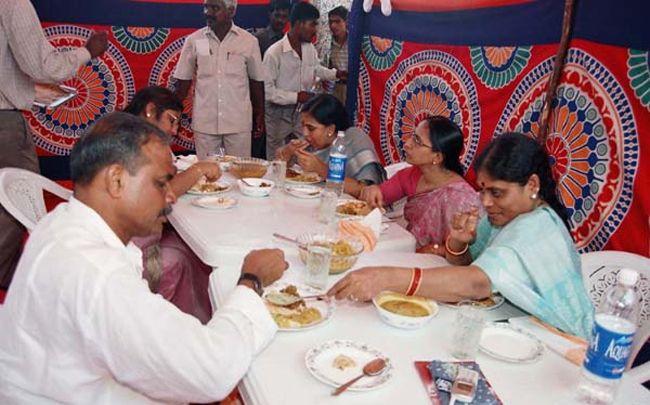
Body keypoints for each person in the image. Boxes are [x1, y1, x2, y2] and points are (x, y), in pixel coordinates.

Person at [0, 112, 288, 402]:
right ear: (116, 181)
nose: (171, 196)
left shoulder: (62, 222)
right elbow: (212, 371)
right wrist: (252, 279)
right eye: (161, 183)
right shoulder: (99, 274)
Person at [329, 133, 594, 338]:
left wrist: (387, 278)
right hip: (516, 325)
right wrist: (457, 243)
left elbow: (475, 284)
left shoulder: (536, 227)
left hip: (561, 344)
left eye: (497, 192)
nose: (486, 202)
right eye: (483, 190)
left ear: (532, 185)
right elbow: (470, 267)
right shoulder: (510, 214)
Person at [0, 0, 107, 290]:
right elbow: (43, 65)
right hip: (5, 125)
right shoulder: (13, 3)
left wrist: (27, 91)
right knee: (17, 201)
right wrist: (88, 51)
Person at [124, 86, 221, 323]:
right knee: (190, 255)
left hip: (132, 239)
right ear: (150, 110)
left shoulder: (129, 133)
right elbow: (159, 196)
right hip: (130, 252)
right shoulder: (132, 141)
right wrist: (197, 170)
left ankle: (200, 320)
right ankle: (176, 324)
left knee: (192, 247)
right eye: (172, 120)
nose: (175, 131)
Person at [360, 116, 482, 251]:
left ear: (437, 157)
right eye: (413, 136)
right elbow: (381, 195)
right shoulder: (412, 174)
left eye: (417, 141)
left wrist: (437, 250)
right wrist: (373, 191)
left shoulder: (460, 198)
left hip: (441, 264)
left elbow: (466, 251)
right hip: (409, 250)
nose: (407, 143)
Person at [174, 0, 265, 159]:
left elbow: (256, 81)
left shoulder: (249, 42)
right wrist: (174, 113)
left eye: (215, 8)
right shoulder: (194, 40)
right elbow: (183, 81)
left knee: (239, 172)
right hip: (205, 122)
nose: (208, 12)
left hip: (238, 122)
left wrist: (260, 113)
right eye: (206, 7)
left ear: (231, 11)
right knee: (208, 175)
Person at [263, 2, 347, 160]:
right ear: (298, 24)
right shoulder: (274, 53)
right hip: (278, 114)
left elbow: (316, 69)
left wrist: (336, 74)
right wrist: (297, 96)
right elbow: (268, 92)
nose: (315, 29)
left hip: (303, 112)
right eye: (312, 24)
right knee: (278, 158)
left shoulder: (309, 48)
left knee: (302, 156)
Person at [276, 94, 384, 197]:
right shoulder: (310, 142)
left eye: (311, 128)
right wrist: (287, 152)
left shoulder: (353, 139)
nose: (305, 133)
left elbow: (367, 190)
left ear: (330, 129)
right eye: (303, 126)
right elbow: (277, 167)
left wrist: (322, 170)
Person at [251, 0, 291, 159]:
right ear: (270, 14)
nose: (281, 20)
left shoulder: (288, 41)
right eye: (277, 15)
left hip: (280, 102)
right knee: (258, 146)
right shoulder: (258, 39)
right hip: (260, 100)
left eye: (284, 17)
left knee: (276, 146)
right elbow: (252, 74)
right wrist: (257, 105)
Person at [327, 6, 349, 105]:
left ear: (346, 22)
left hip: (351, 89)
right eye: (331, 22)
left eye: (337, 21)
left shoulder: (354, 43)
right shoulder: (327, 44)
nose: (333, 25)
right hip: (333, 90)